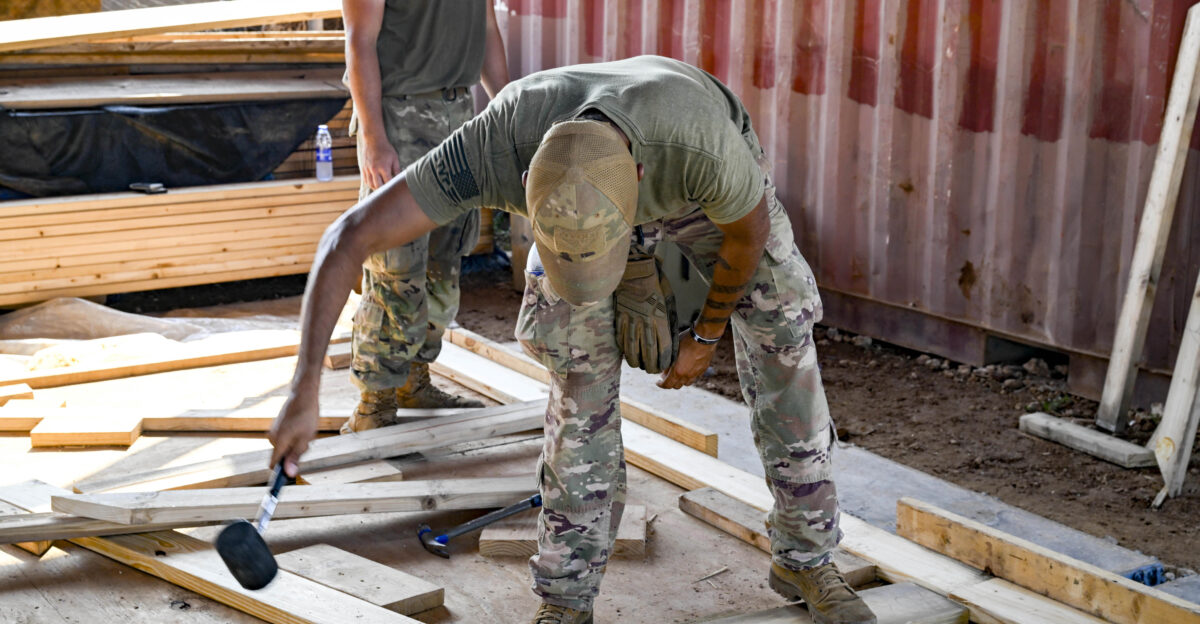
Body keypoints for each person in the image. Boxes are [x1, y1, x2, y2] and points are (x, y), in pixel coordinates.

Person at [270, 55, 877, 624]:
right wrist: (303, 390)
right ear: (526, 181)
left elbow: (747, 237)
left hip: (694, 190)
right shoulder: (492, 147)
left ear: (638, 183)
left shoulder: (705, 152)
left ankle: (807, 559)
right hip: (588, 200)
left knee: (785, 333)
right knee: (580, 383)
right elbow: (347, 237)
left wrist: (705, 332)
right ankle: (565, 599)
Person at [339, 0, 509, 432]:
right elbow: (360, 43)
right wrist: (375, 138)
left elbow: (486, 26)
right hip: (399, 117)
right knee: (396, 268)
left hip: (459, 118)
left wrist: (507, 109)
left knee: (443, 263)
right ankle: (374, 403)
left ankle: (414, 381)